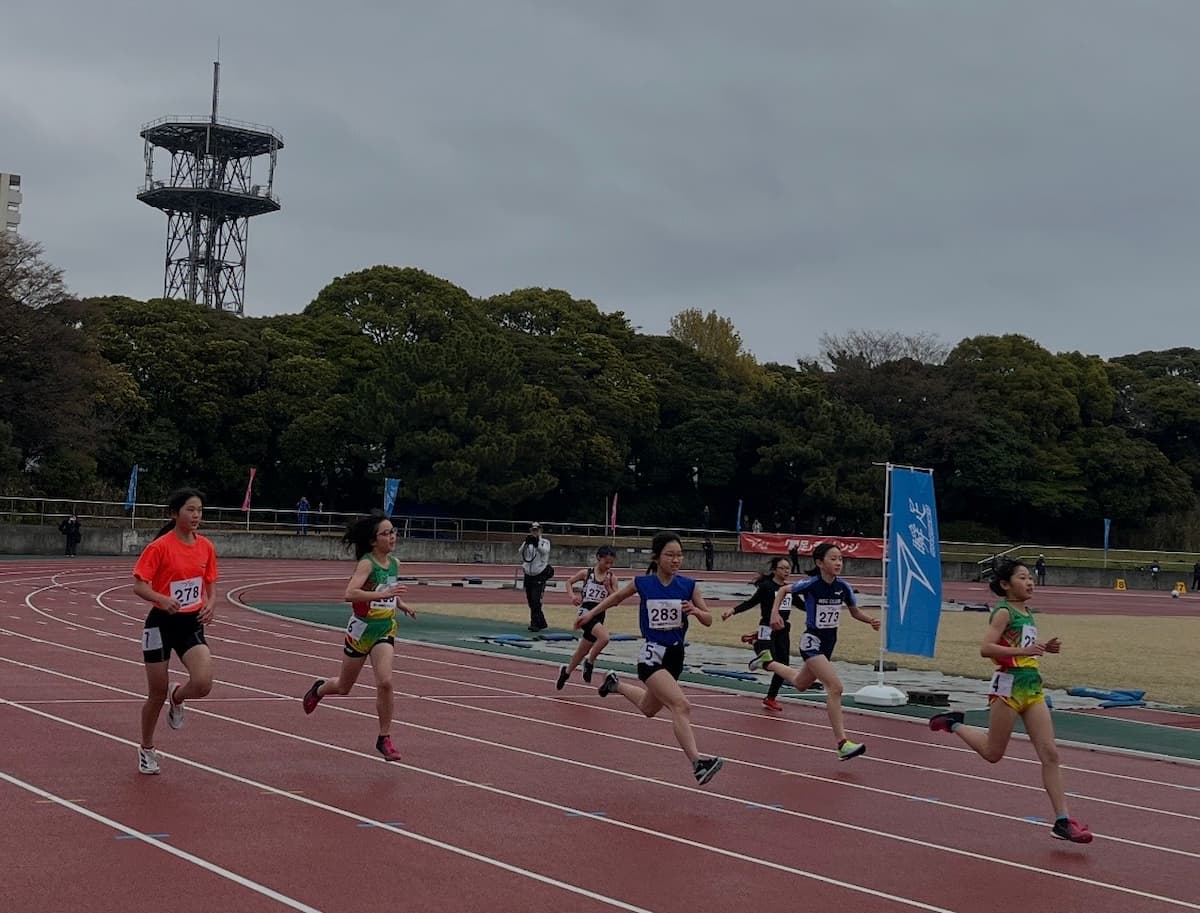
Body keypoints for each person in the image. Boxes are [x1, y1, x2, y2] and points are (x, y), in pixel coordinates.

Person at [928, 559, 1092, 844]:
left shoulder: (1026, 612)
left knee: (1050, 754)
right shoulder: (1003, 611)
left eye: (1031, 578)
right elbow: (986, 648)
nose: (1030, 582)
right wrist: (1026, 648)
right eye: (1023, 578)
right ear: (1005, 584)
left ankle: (1063, 821)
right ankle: (953, 724)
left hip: (1031, 686)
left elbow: (1021, 646)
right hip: (1008, 686)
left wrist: (1043, 648)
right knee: (993, 754)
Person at [575, 530, 724, 785]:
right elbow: (616, 597)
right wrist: (590, 615)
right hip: (651, 656)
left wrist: (696, 611)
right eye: (670, 555)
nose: (676, 560)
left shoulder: (688, 586)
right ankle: (698, 763)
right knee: (681, 706)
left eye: (680, 555)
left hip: (676, 656)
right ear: (657, 557)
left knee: (649, 708)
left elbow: (709, 619)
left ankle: (615, 685)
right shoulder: (644, 583)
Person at [302, 510, 416, 761]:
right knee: (344, 687)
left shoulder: (395, 563)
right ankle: (319, 689)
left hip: (385, 628)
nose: (393, 537)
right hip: (361, 631)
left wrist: (400, 603)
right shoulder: (367, 563)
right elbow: (350, 594)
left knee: (385, 682)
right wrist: (384, 596)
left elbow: (387, 590)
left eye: (393, 531)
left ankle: (384, 737)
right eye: (386, 533)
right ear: (374, 540)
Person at [749, 542, 879, 760]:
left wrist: (870, 621)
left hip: (829, 644)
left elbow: (855, 612)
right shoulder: (810, 584)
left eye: (840, 559)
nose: (838, 563)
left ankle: (765, 662)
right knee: (835, 687)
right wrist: (774, 614)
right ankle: (842, 743)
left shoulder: (843, 587)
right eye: (833, 559)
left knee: (800, 683)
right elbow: (782, 590)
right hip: (811, 642)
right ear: (820, 562)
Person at [132, 488, 219, 775]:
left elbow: (210, 583)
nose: (196, 516)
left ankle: (178, 697)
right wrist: (161, 598)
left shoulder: (205, 546)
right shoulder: (160, 547)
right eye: (190, 510)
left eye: (199, 510)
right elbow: (139, 585)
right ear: (174, 514)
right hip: (160, 623)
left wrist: (210, 602)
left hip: (190, 622)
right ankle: (147, 749)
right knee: (155, 694)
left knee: (204, 683)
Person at [722, 556, 792, 711]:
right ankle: (756, 643)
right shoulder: (767, 587)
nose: (787, 571)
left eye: (788, 568)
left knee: (783, 667)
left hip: (783, 631)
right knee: (769, 662)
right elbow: (751, 602)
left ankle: (770, 698)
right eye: (783, 568)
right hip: (767, 628)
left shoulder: (789, 589)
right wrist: (732, 611)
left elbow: (802, 605)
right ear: (774, 570)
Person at [556, 545, 620, 689]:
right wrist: (572, 596)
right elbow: (569, 582)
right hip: (585, 612)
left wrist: (608, 587)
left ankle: (565, 672)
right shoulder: (587, 573)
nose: (608, 566)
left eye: (611, 563)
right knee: (604, 638)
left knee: (581, 651)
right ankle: (589, 662)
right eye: (606, 562)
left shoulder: (612, 578)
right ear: (599, 558)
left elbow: (616, 600)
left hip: (600, 613)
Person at [519, 522, 552, 631]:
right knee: (530, 599)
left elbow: (545, 552)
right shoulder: (528, 542)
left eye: (537, 530)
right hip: (528, 574)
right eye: (533, 530)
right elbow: (520, 552)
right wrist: (526, 543)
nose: (535, 532)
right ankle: (541, 622)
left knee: (536, 600)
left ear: (541, 531)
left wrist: (536, 544)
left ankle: (535, 623)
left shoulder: (545, 542)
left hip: (539, 573)